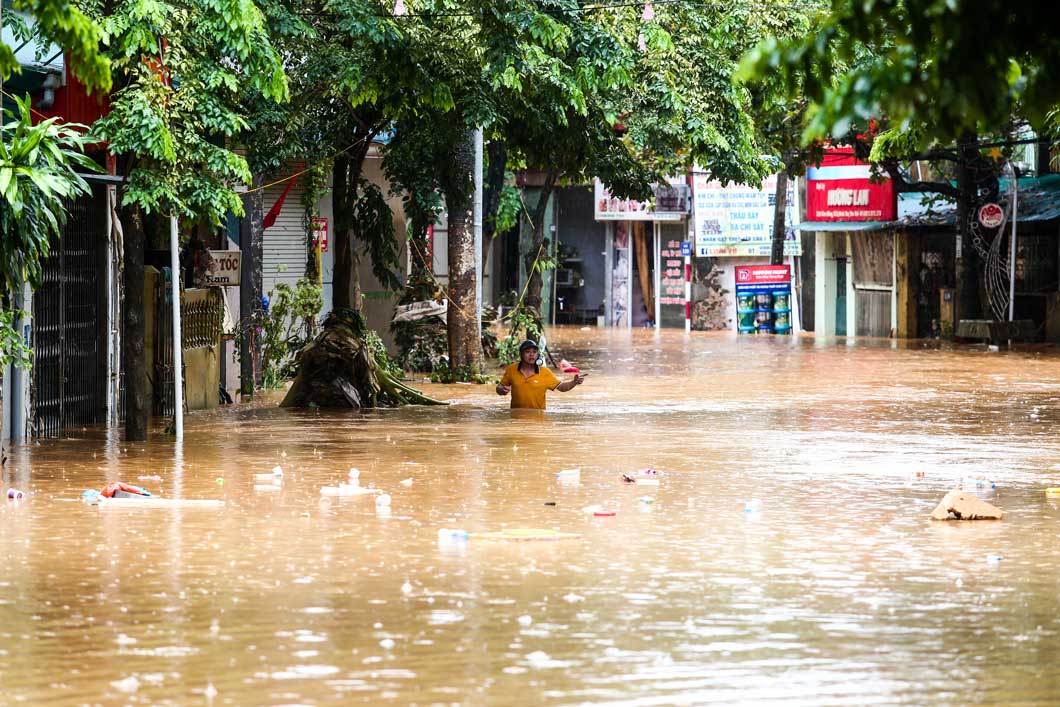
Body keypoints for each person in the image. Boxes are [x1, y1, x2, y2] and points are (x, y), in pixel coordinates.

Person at [496, 340, 586, 410]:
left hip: (538, 419)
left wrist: (574, 382)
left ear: (538, 354)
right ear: (521, 354)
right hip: (516, 418)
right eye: (527, 352)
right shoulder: (511, 369)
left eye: (534, 352)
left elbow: (562, 387)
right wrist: (500, 389)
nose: (531, 354)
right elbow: (500, 387)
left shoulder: (545, 372)